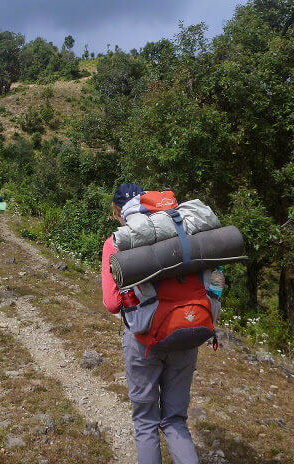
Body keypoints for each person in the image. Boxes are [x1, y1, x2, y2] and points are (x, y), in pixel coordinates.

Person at [102, 183, 199, 464]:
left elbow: (111, 303)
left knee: (146, 422)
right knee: (175, 419)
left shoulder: (116, 241)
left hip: (144, 339)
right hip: (186, 330)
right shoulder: (180, 230)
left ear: (119, 211)